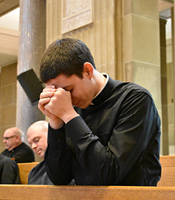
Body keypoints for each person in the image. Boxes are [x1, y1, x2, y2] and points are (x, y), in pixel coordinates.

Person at [38, 38, 161, 186]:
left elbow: (110, 173)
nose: (66, 99)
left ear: (87, 71)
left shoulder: (135, 98)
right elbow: (59, 178)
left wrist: (70, 116)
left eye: (69, 90)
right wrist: (55, 123)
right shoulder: (70, 109)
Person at [26, 120, 53, 185]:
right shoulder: (34, 171)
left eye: (36, 140)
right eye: (30, 144)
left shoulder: (70, 166)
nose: (33, 146)